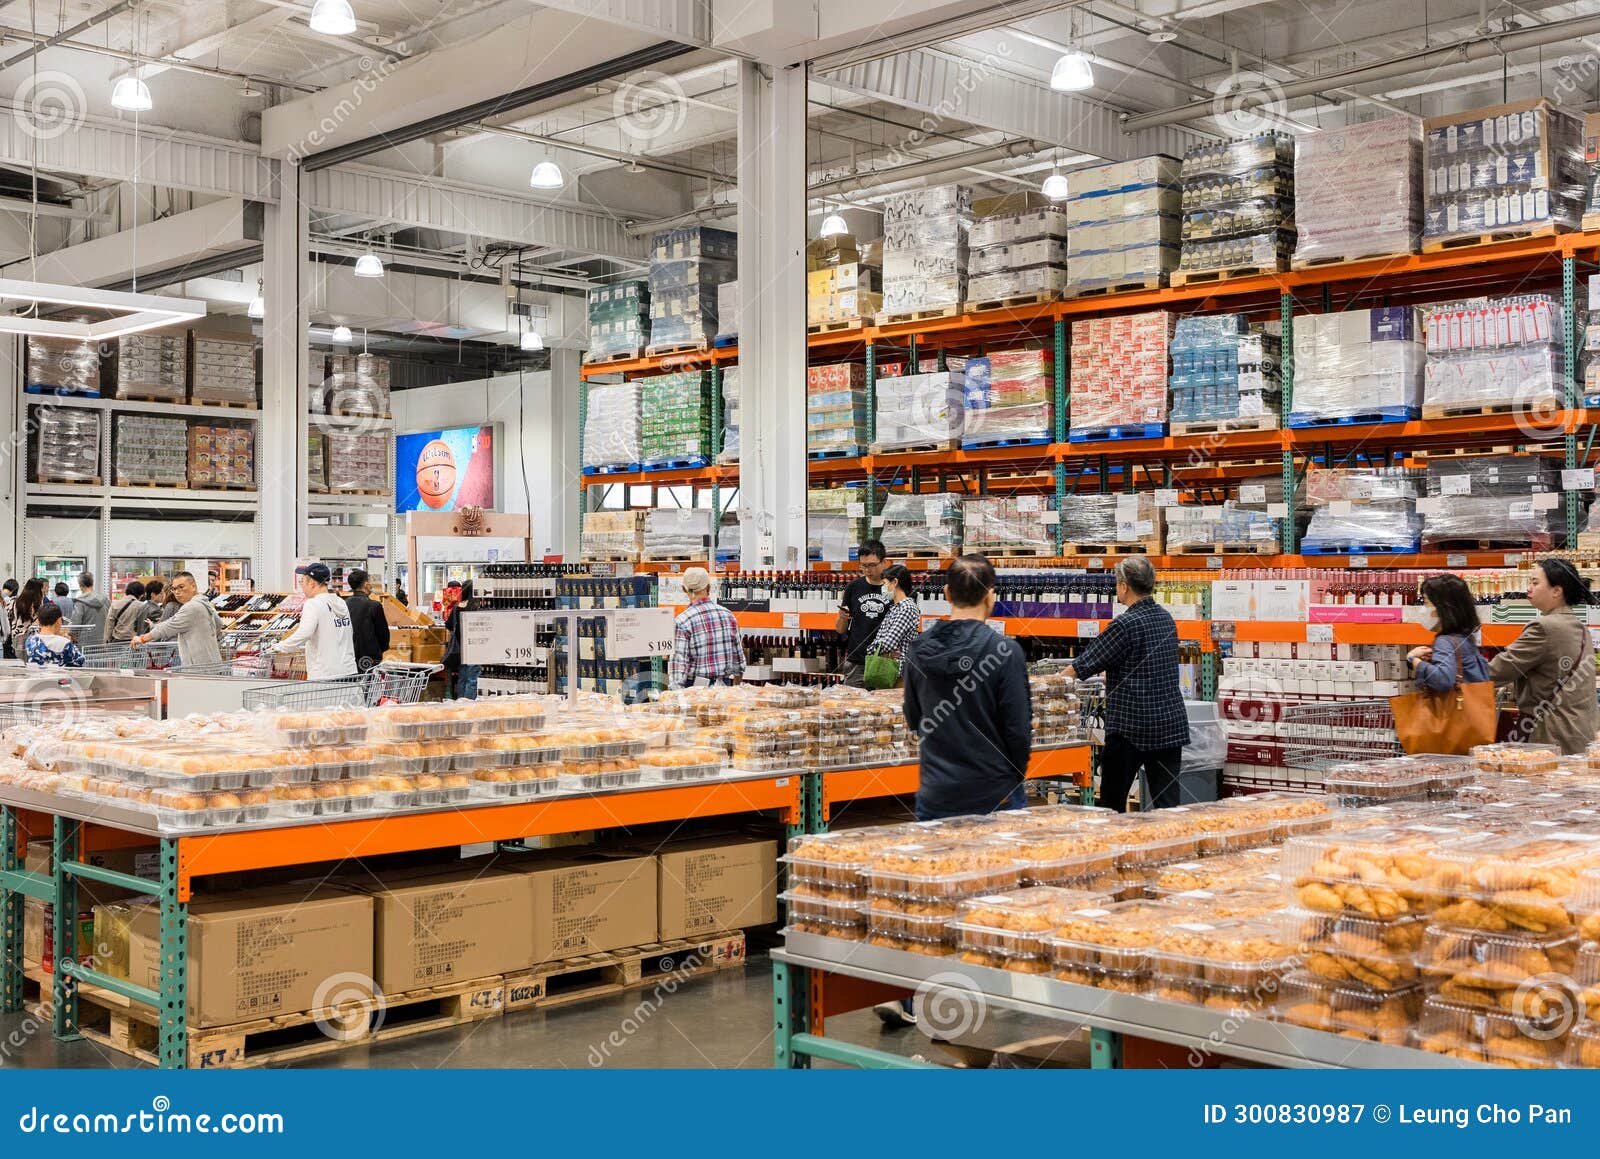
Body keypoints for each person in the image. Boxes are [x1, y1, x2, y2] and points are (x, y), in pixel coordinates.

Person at [1066, 556, 1191, 812]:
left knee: (1112, 804)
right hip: (1169, 725)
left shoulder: (1124, 624)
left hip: (1131, 729)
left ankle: (1116, 849)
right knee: (1169, 806)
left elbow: (1082, 665)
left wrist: (1048, 683)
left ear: (1124, 586)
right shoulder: (1165, 618)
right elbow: (1146, 662)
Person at [1486, 557, 1599, 755]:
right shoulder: (1581, 628)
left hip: (1548, 733)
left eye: (1535, 583)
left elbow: (1498, 670)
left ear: (1557, 590)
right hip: (1580, 732)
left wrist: (1456, 672)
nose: (1528, 588)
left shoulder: (1543, 627)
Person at [270, 562, 357, 681]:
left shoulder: (313, 604)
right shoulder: (340, 602)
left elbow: (304, 633)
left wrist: (279, 647)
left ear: (312, 583)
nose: (302, 586)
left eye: (302, 582)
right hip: (348, 670)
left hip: (325, 673)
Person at [1407, 573, 1490, 692]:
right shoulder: (1465, 637)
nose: (1422, 610)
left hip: (1455, 708)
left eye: (1426, 602)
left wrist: (1413, 659)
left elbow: (1442, 680)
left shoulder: (1444, 641)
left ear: (1443, 608)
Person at [668, 567, 743, 689]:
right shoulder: (728, 615)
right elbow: (739, 663)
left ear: (683, 589)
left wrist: (678, 700)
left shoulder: (682, 621)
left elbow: (678, 669)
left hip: (696, 692)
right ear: (709, 587)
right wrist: (735, 692)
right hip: (724, 689)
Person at [130, 571, 222, 668]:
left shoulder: (191, 607)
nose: (177, 592)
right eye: (174, 589)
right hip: (211, 663)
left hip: (199, 668)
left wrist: (142, 638)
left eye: (181, 587)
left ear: (193, 586)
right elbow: (219, 624)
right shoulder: (205, 603)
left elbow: (167, 627)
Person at [836, 540, 889, 687]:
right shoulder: (853, 587)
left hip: (883, 661)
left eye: (872, 565)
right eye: (863, 565)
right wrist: (842, 618)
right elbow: (840, 629)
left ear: (884, 562)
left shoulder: (892, 588)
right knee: (852, 706)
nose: (867, 570)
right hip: (856, 661)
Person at [864, 564, 920, 685]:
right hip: (887, 671)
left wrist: (870, 649)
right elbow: (880, 638)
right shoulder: (894, 608)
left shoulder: (907, 608)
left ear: (895, 582)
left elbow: (888, 642)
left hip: (897, 673)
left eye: (884, 583)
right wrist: (877, 646)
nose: (882, 588)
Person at [344, 569, 391, 672]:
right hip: (370, 657)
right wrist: (379, 651)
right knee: (369, 685)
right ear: (366, 584)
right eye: (369, 582)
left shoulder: (344, 605)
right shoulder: (374, 606)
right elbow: (383, 635)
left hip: (348, 657)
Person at [443, 579, 482, 698]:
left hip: (460, 648)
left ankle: (460, 702)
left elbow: (448, 625)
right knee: (472, 679)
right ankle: (469, 704)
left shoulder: (456, 608)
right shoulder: (477, 606)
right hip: (475, 647)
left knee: (462, 677)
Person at [70, 572, 108, 646]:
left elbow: (75, 624)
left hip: (85, 642)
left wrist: (73, 635)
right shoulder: (105, 599)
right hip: (102, 640)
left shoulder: (80, 602)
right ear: (92, 583)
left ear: (80, 585)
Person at [9, 579, 44, 659]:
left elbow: (11, 617)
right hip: (33, 637)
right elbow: (39, 622)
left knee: (20, 661)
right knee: (31, 661)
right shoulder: (38, 604)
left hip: (17, 636)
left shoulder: (15, 601)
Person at [107, 580, 146, 645]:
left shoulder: (115, 604)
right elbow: (141, 626)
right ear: (140, 594)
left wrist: (107, 641)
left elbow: (109, 625)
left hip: (117, 640)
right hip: (134, 641)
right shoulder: (142, 606)